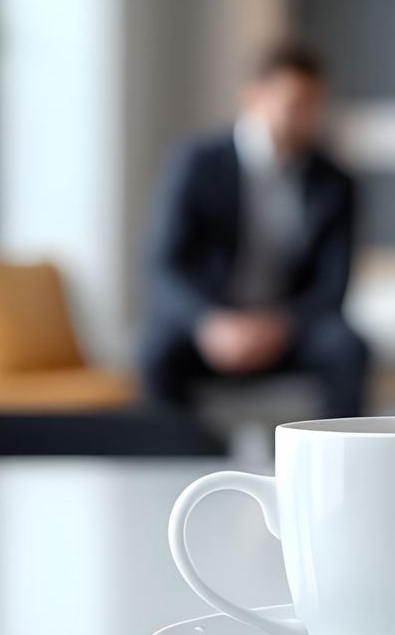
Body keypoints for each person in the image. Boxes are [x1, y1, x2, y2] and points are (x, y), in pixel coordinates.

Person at [140, 40, 369, 419]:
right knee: (155, 352)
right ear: (253, 96)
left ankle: (342, 463)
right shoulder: (197, 163)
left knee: (348, 348)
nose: (307, 117)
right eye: (296, 104)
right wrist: (209, 322)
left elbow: (334, 284)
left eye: (315, 104)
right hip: (211, 326)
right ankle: (183, 464)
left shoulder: (334, 181)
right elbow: (164, 264)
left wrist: (279, 325)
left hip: (288, 329)